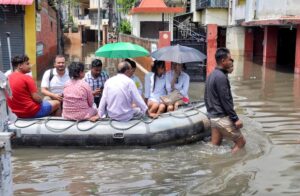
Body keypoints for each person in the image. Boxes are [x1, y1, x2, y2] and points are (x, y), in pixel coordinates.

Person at [204, 47, 246, 153]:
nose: (231, 61)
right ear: (223, 61)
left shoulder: (212, 75)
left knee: (215, 146)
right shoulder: (221, 77)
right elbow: (225, 100)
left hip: (213, 118)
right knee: (241, 143)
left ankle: (215, 166)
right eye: (229, 59)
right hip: (221, 118)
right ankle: (230, 165)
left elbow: (206, 97)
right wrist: (235, 119)